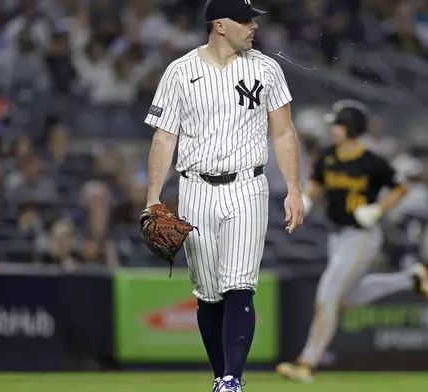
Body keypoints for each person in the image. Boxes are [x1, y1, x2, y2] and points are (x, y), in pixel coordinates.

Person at [142, 0, 305, 391]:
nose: (253, 27)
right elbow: (164, 137)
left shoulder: (266, 67)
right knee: (208, 293)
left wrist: (294, 189)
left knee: (239, 284)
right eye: (244, 20)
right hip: (195, 187)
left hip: (248, 185)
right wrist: (152, 198)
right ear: (219, 24)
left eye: (253, 20)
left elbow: (283, 132)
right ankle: (221, 377)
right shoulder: (180, 71)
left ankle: (232, 378)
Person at [275, 99, 428, 383]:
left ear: (350, 127)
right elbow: (317, 184)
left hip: (361, 236)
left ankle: (306, 363)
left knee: (327, 296)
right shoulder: (327, 156)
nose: (333, 129)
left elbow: (401, 187)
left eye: (338, 124)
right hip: (336, 236)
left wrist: (379, 209)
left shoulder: (371, 161)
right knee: (344, 300)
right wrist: (307, 200)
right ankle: (410, 279)